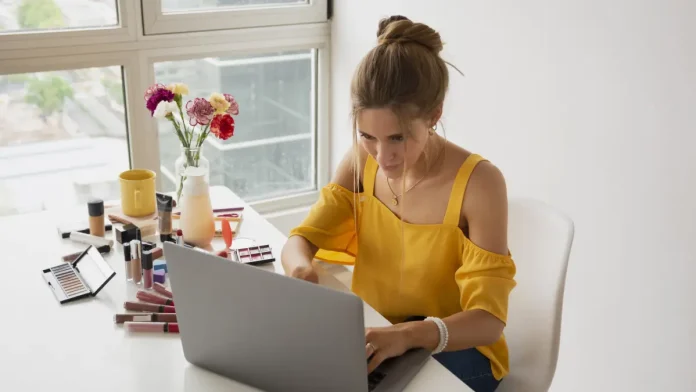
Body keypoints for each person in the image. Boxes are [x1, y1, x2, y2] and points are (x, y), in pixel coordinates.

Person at [280, 15, 517, 392]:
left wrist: (408, 335)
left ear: (435, 115)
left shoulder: (481, 183)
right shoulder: (361, 160)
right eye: (367, 135)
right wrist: (300, 271)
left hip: (457, 347)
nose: (382, 155)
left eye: (398, 138)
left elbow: (488, 321)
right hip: (377, 334)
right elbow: (300, 239)